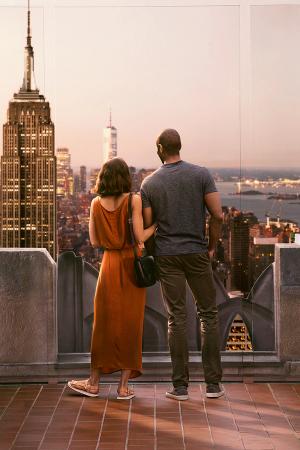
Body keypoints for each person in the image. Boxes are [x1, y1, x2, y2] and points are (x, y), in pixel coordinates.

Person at [141, 129, 223, 400]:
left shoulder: (149, 183)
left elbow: (149, 225)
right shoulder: (201, 174)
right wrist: (211, 246)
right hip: (197, 252)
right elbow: (218, 215)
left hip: (167, 255)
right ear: (180, 146)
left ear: (161, 148)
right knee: (208, 314)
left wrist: (158, 254)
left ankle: (180, 387)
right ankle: (213, 385)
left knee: (176, 318)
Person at [68, 157, 156, 400]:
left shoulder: (96, 203)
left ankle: (93, 383)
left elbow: (95, 242)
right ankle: (123, 387)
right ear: (125, 177)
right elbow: (140, 235)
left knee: (103, 324)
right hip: (131, 264)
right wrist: (156, 227)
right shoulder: (134, 200)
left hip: (109, 264)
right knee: (131, 323)